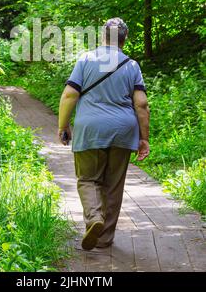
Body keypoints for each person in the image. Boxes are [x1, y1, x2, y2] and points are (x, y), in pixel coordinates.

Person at [58, 17, 150, 251]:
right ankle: (105, 239)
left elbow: (70, 95)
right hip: (123, 131)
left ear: (102, 37)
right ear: (124, 39)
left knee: (88, 179)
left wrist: (63, 125)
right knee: (113, 185)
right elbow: (141, 104)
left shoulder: (86, 59)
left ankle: (94, 217)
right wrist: (144, 138)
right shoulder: (131, 65)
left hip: (91, 129)